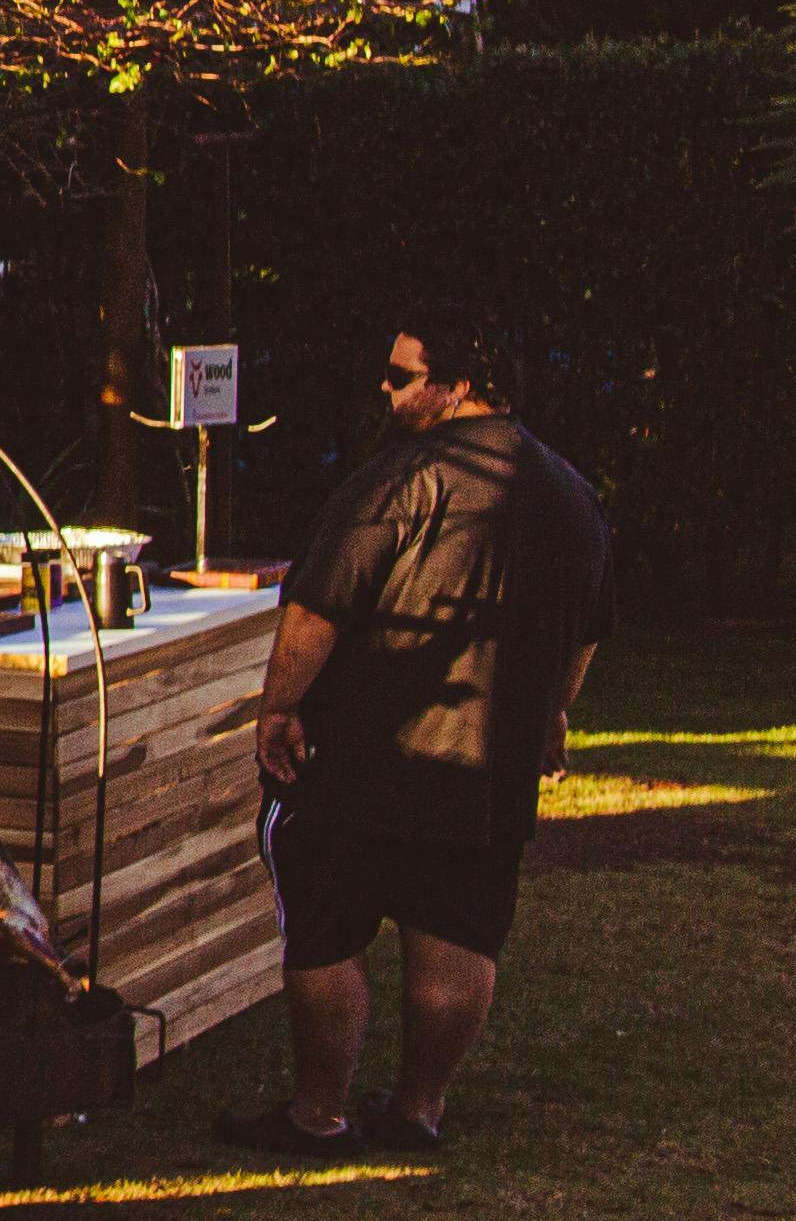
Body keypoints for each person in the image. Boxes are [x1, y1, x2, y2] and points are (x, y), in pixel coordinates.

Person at [221, 307, 610, 1161]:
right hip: (487, 767)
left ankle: (318, 1113)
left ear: (458, 383)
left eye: (402, 376)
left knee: (326, 930)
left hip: (369, 757)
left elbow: (317, 609)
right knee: (459, 931)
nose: (386, 389)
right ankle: (418, 1111)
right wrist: (549, 711)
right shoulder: (572, 495)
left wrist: (278, 707)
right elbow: (585, 632)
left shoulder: (399, 480)